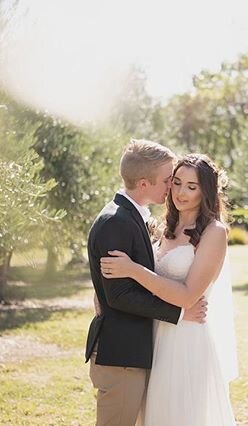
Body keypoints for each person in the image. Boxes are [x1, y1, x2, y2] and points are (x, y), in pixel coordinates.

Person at [100, 153, 238, 426]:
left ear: (206, 191)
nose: (180, 192)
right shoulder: (163, 228)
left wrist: (133, 270)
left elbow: (188, 296)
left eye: (191, 186)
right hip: (151, 334)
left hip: (185, 340)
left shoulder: (214, 232)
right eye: (176, 182)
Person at [85, 140, 208, 426]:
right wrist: (179, 313)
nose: (172, 188)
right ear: (143, 183)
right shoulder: (117, 222)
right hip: (121, 354)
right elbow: (120, 296)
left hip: (132, 350)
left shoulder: (131, 216)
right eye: (168, 180)